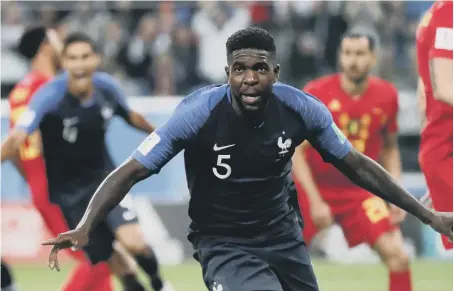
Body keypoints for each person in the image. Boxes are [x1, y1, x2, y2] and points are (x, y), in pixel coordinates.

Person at [41, 27, 452, 291]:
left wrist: (426, 215)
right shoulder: (197, 114)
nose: (250, 78)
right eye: (240, 69)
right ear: (227, 73)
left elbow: (359, 165)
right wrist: (85, 225)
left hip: (282, 238)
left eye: (260, 69)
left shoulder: (303, 110)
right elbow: (130, 170)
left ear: (275, 71)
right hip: (224, 243)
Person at [1, 32, 171, 291]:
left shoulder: (104, 87)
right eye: (71, 56)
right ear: (54, 52)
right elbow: (19, 138)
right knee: (105, 263)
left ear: (96, 59)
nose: (78, 64)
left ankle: (161, 285)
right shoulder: (44, 93)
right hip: (65, 193)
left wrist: (166, 137)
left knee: (130, 246)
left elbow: (131, 116)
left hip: (104, 179)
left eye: (84, 57)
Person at [292, 31, 412, 291]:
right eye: (347, 53)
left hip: (359, 191)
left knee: (399, 257)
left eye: (359, 54)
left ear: (372, 58)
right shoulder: (316, 92)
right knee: (276, 261)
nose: (353, 61)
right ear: (340, 57)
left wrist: (396, 193)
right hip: (312, 189)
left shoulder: (387, 95)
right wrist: (315, 201)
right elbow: (296, 152)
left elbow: (390, 149)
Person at [5, 25, 113, 291]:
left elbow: (19, 151)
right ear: (45, 46)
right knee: (98, 261)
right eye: (56, 39)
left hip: (48, 186)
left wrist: (33, 179)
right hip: (61, 188)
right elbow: (32, 143)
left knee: (103, 266)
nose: (62, 44)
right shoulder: (47, 89)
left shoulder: (23, 89)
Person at [416, 1, 453, 250]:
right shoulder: (448, 15)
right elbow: (444, 87)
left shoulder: (435, 13)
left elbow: (423, 93)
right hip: (447, 148)